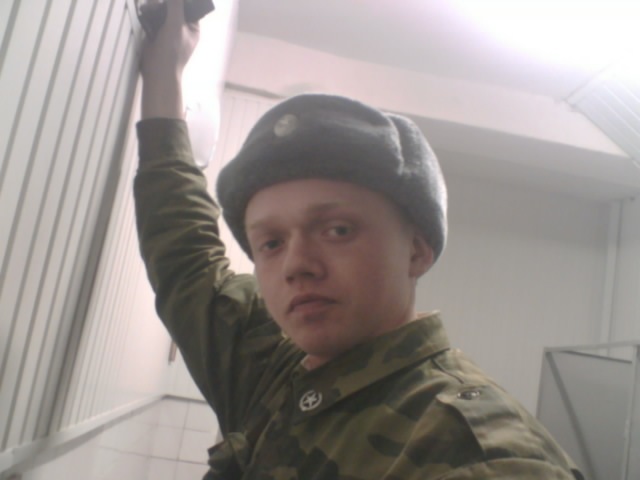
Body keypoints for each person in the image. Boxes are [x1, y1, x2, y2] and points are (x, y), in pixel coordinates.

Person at [135, 1, 583, 478]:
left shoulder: (477, 453)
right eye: (271, 242)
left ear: (417, 249)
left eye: (338, 230)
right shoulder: (271, 369)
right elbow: (185, 254)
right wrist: (166, 73)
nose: (296, 265)